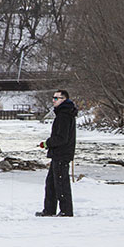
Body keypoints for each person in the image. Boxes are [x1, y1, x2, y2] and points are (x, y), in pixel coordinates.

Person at [37, 89, 77, 217]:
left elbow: (61, 138)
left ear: (64, 100)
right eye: (53, 98)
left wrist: (47, 143)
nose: (53, 100)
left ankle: (66, 211)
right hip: (58, 154)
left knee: (61, 184)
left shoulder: (64, 115)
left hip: (62, 154)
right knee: (51, 184)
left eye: (56, 98)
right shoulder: (62, 114)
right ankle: (49, 210)